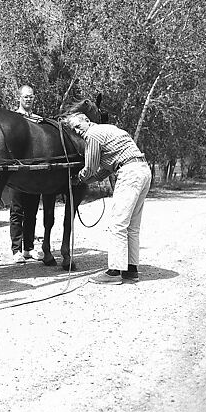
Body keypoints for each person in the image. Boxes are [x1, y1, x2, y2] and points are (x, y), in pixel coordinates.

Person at [63, 112, 151, 284]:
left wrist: (78, 178)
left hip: (129, 173)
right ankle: (131, 271)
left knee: (118, 224)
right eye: (74, 129)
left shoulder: (93, 135)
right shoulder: (110, 129)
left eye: (78, 126)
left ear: (87, 121)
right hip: (142, 170)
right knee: (132, 225)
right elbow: (105, 170)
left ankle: (114, 272)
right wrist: (92, 178)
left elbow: (90, 167)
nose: (78, 131)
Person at [9, 85, 46, 264]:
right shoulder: (13, 119)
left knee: (32, 211)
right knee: (17, 211)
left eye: (31, 96)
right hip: (18, 171)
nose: (28, 99)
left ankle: (28, 248)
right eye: (25, 96)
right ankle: (15, 249)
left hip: (35, 173)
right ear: (19, 98)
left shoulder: (39, 120)